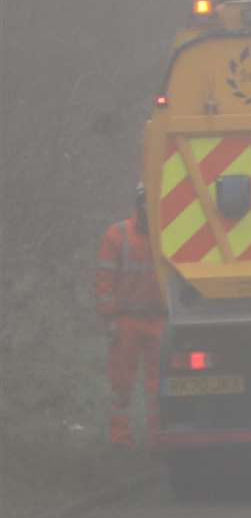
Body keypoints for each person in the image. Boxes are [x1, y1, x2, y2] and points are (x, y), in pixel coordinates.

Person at [96, 182, 164, 446]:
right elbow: (104, 280)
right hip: (126, 320)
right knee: (121, 383)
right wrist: (110, 318)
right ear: (138, 204)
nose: (149, 207)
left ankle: (158, 440)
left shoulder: (169, 234)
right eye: (145, 201)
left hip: (159, 318)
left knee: (159, 386)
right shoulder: (118, 234)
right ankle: (120, 440)